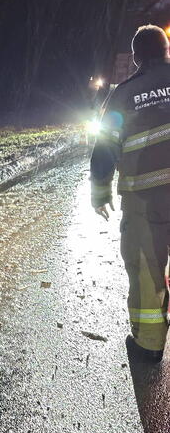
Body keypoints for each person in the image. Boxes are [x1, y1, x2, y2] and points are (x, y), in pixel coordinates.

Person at [91, 24, 170, 362]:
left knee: (146, 267)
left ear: (136, 57)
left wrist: (100, 192)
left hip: (146, 199)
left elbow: (105, 147)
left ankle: (149, 344)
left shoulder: (124, 93)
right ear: (166, 50)